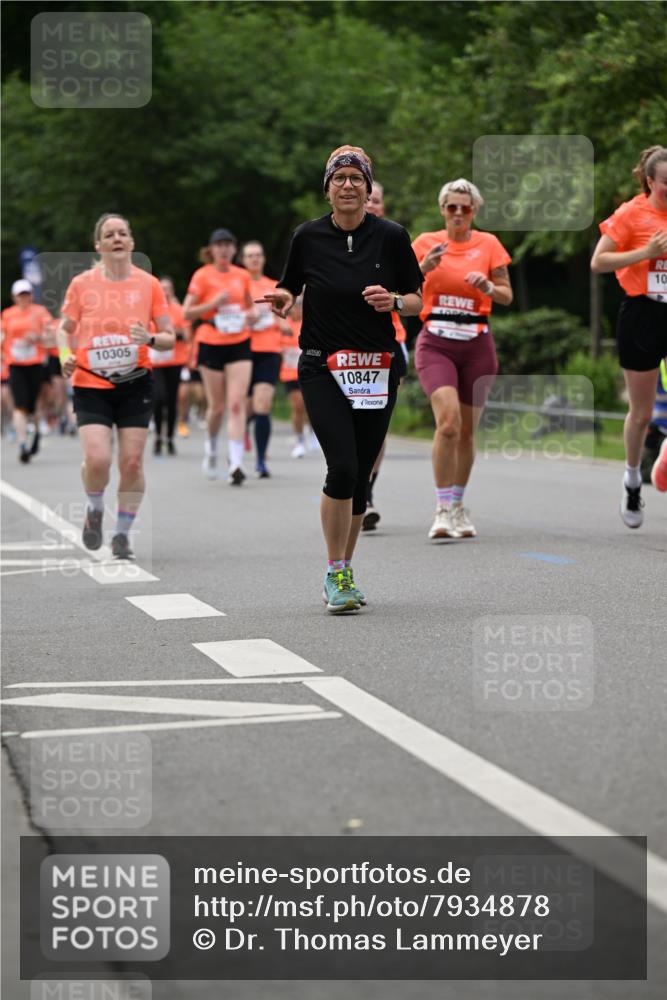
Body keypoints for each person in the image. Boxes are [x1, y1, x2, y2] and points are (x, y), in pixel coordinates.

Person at [258, 145, 423, 613]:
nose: (348, 186)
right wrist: (283, 298)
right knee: (343, 467)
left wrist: (392, 301)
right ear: (327, 188)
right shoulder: (308, 236)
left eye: (356, 178)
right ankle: (335, 571)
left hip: (376, 367)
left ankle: (345, 570)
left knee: (361, 474)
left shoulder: (391, 236)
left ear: (368, 188)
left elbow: (416, 300)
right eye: (339, 178)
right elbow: (291, 283)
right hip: (320, 364)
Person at [57, 213, 174, 560]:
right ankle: (95, 508)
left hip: (135, 381)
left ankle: (122, 533)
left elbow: (170, 336)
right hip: (91, 381)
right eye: (109, 235)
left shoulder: (148, 285)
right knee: (97, 458)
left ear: (132, 242)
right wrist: (65, 353)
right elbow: (63, 328)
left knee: (133, 462)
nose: (117, 238)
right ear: (98, 245)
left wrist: (151, 337)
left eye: (123, 233)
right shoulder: (81, 284)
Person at [412, 179, 512, 540]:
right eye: (451, 207)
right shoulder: (425, 243)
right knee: (449, 423)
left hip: (477, 343)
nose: (458, 213)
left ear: (474, 211)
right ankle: (440, 509)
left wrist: (487, 288)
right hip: (436, 342)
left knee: (467, 432)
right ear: (442, 209)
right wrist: (422, 267)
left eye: (465, 208)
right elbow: (399, 285)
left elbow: (506, 295)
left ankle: (457, 504)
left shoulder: (489, 245)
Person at [591, 145, 667, 527]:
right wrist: (645, 252)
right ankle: (633, 478)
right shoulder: (631, 213)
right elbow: (598, 261)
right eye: (666, 185)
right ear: (650, 181)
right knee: (641, 413)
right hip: (641, 313)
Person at [183, 228, 257, 484]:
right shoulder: (202, 276)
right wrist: (212, 303)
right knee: (216, 407)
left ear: (234, 249)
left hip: (239, 341)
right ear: (211, 250)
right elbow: (187, 313)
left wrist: (252, 315)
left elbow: (250, 307)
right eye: (219, 245)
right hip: (211, 340)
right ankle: (212, 449)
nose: (224, 249)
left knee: (237, 404)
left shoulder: (242, 275)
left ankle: (236, 462)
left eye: (228, 245)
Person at [362, 181, 410, 531]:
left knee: (377, 422)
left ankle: (365, 495)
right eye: (368, 199)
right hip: (345, 344)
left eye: (377, 200)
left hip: (390, 341)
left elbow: (415, 292)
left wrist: (393, 298)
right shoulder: (335, 240)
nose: (371, 205)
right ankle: (352, 484)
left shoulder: (393, 241)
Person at [241, 241, 289, 477]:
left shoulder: (274, 287)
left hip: (268, 350)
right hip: (240, 351)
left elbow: (280, 316)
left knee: (263, 405)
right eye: (250, 256)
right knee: (244, 407)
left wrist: (285, 326)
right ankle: (238, 448)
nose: (255, 259)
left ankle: (260, 460)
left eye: (258, 255)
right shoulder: (238, 284)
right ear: (243, 260)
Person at [1, 279, 54, 463]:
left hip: (36, 364)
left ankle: (37, 434)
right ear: (14, 297)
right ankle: (23, 443)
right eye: (20, 295)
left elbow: (51, 337)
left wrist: (38, 337)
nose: (24, 298)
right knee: (20, 406)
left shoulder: (40, 312)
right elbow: (2, 336)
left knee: (37, 405)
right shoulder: (8, 314)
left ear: (31, 295)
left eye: (27, 294)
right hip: (15, 365)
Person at [151, 276, 191, 456]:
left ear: (172, 291)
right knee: (159, 399)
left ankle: (169, 437)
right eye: (162, 288)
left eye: (168, 288)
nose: (165, 291)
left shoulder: (179, 310)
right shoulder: (150, 310)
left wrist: (172, 334)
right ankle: (158, 435)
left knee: (172, 401)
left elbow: (187, 334)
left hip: (175, 361)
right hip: (156, 362)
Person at [279, 296, 309, 457]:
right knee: (298, 406)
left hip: (308, 372)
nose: (297, 309)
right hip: (289, 372)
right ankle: (299, 440)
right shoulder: (284, 326)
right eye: (295, 307)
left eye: (301, 306)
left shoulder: (309, 324)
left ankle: (312, 432)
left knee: (310, 407)